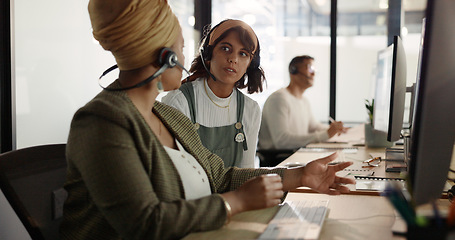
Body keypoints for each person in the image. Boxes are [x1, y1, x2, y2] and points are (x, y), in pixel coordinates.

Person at [60, 1, 354, 240]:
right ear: (164, 56)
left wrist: (298, 175)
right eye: (180, 47)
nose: (186, 55)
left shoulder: (167, 115)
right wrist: (235, 203)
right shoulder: (102, 121)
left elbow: (220, 176)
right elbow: (145, 224)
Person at [162, 19, 263, 168]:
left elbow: (246, 172)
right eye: (225, 49)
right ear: (208, 54)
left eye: (243, 54)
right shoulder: (178, 102)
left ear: (250, 64)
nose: (233, 59)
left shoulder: (251, 109)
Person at [259, 55, 347, 150]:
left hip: (297, 153)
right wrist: (325, 134)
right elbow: (282, 141)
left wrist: (336, 129)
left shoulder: (304, 101)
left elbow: (314, 126)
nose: (313, 73)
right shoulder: (278, 99)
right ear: (293, 70)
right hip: (280, 159)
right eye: (309, 68)